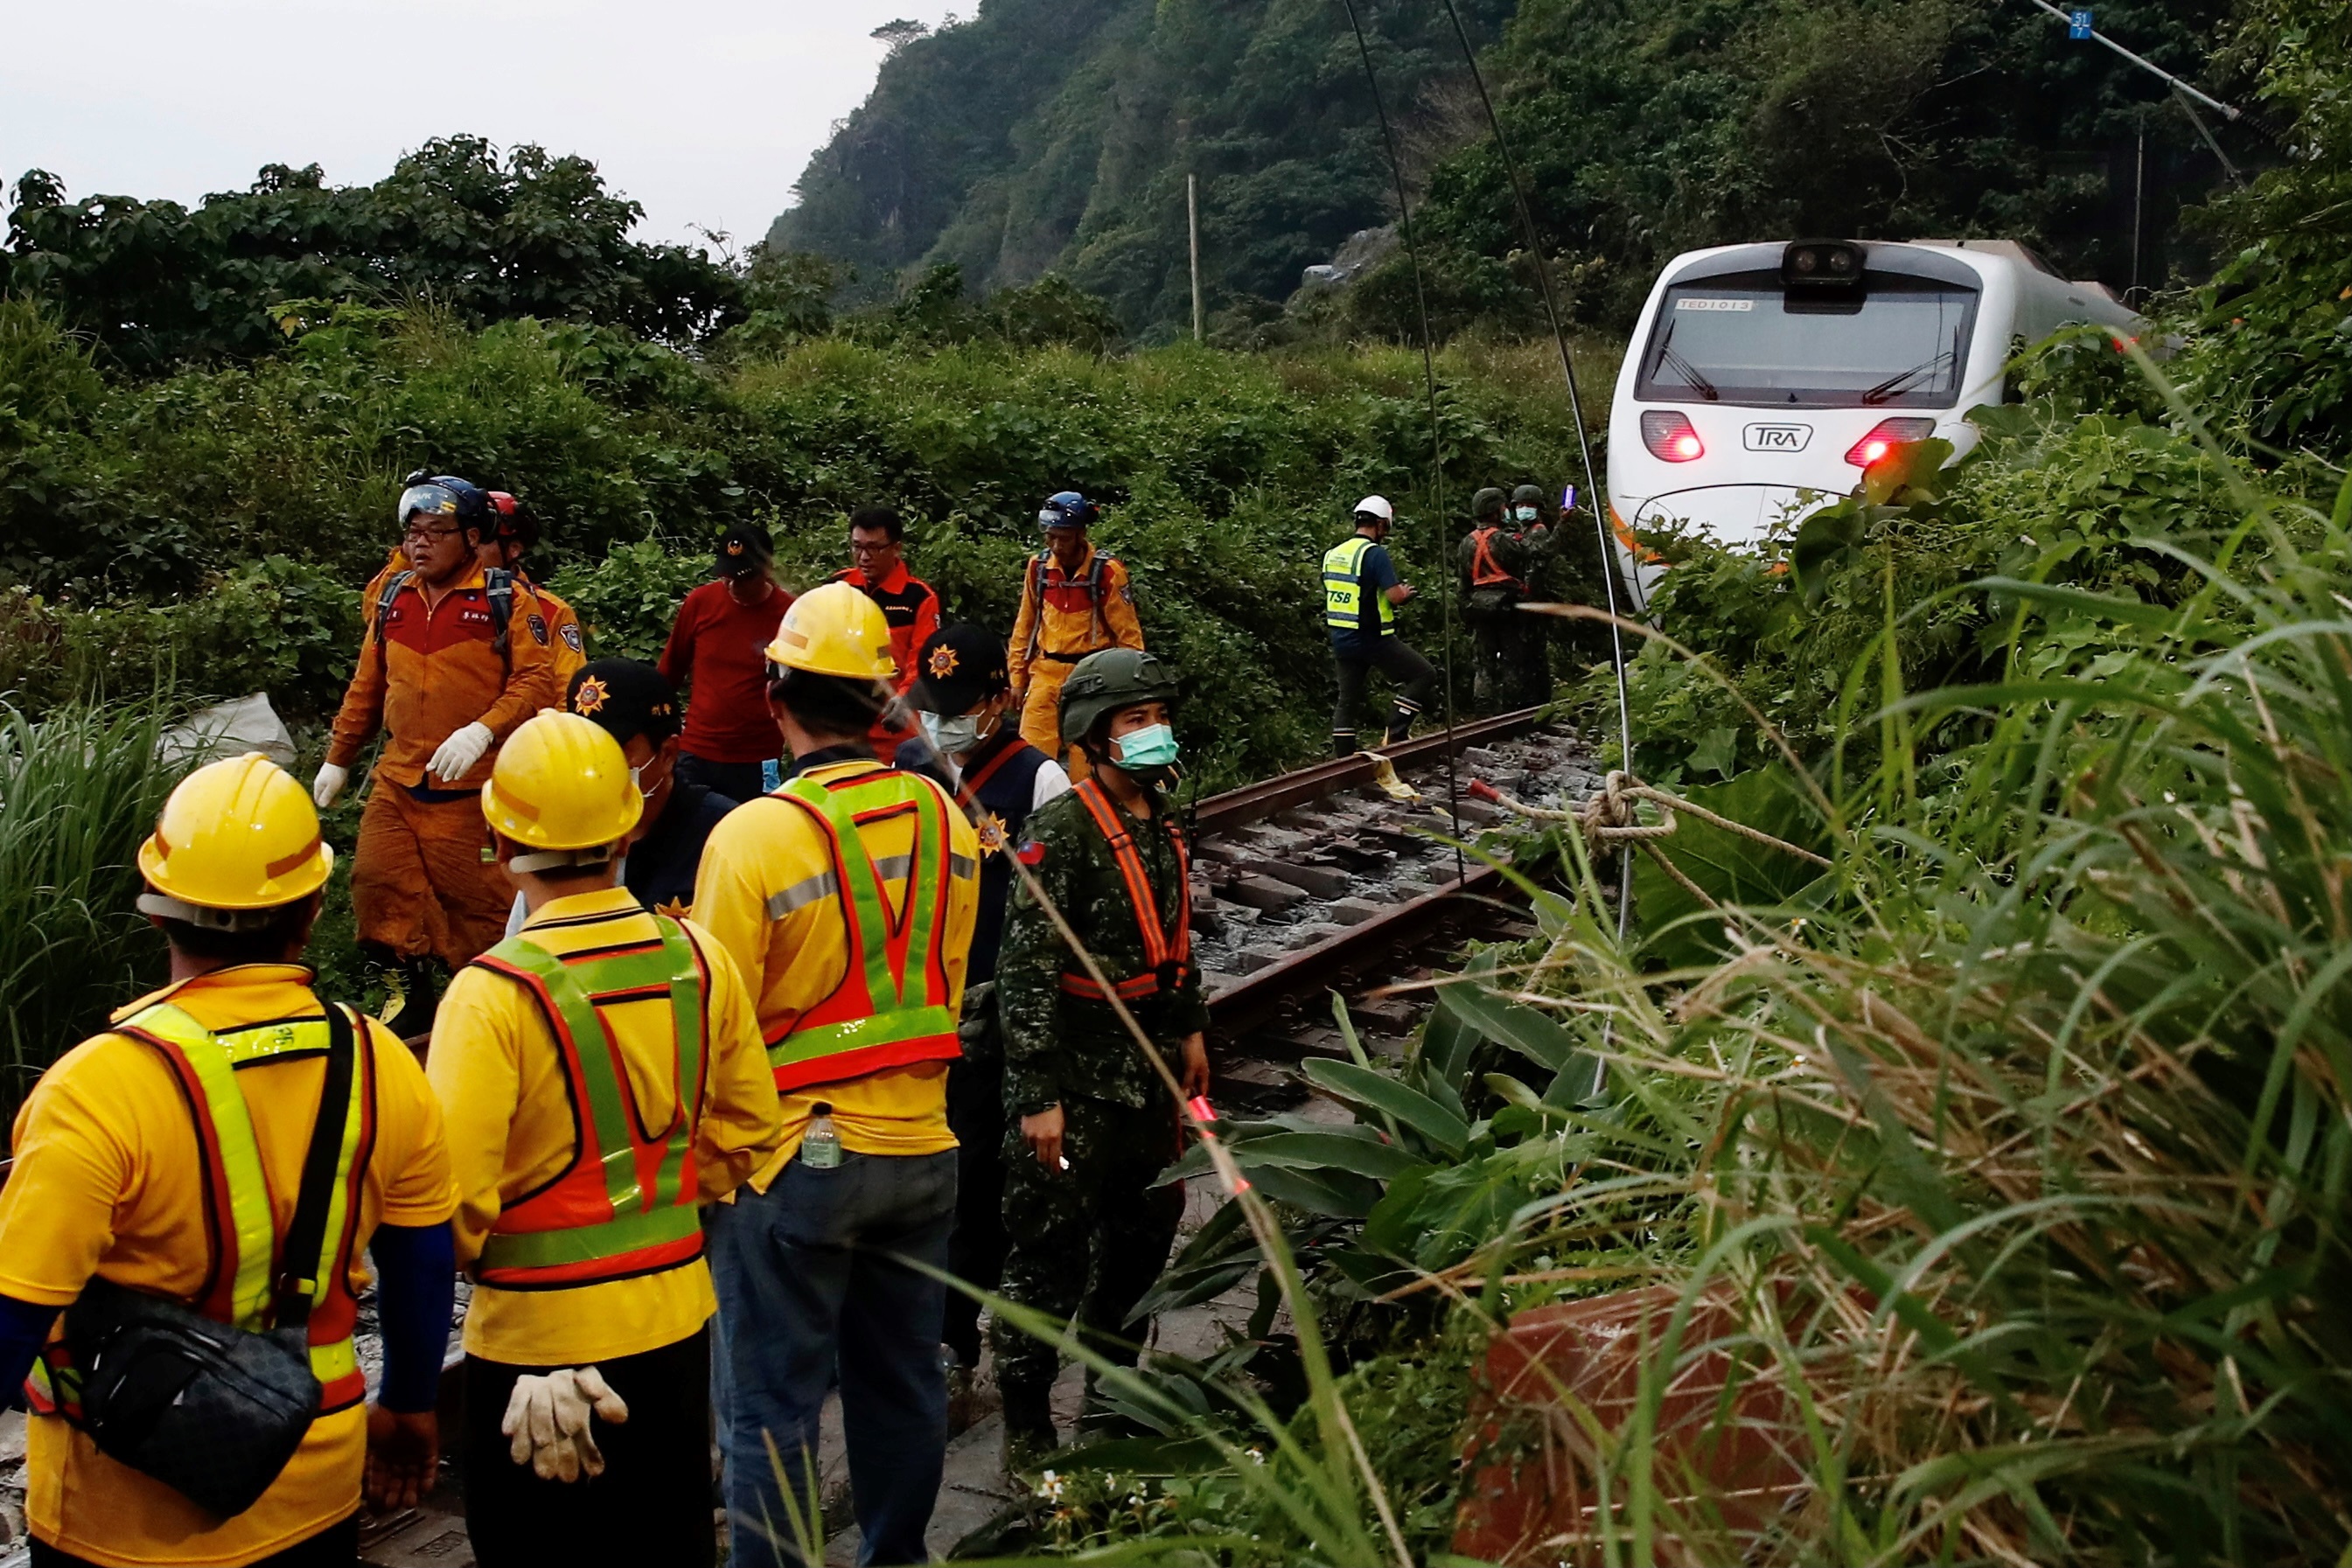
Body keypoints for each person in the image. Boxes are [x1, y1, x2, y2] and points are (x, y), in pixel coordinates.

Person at [0, 753, 458, 1568]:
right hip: (311, 1475)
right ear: (313, 909)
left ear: (155, 911)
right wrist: (412, 1405)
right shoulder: (377, 1058)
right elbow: (421, 1261)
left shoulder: (95, 1088)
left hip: (121, 1509)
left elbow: (14, 1317)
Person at [428, 710, 782, 1568]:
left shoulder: (492, 994)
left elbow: (451, 1206)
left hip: (534, 1352)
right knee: (667, 1541)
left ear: (499, 834)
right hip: (672, 1322)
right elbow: (750, 1130)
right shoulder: (695, 956)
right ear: (628, 822)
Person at [692, 582, 982, 1567]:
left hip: (797, 1159)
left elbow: (716, 1025)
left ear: (774, 691)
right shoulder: (945, 815)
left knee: (769, 1402)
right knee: (902, 1383)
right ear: (881, 702)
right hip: (926, 1146)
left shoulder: (751, 834)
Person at [992, 647, 1211, 1473]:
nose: (1153, 733)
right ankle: (1025, 1426)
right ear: (1093, 733)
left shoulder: (1161, 823)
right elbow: (1025, 974)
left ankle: (1110, 1405)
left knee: (1140, 1245)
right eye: (1134, 720)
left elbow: (1174, 945)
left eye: (1159, 717)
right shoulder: (1062, 832)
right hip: (1075, 1086)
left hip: (1146, 1081)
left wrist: (1189, 1028)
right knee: (1044, 1260)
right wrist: (1036, 1095)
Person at [893, 623, 1071, 1399]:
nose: (940, 724)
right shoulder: (907, 770)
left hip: (995, 1012)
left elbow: (1055, 912)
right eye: (930, 707)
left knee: (973, 1174)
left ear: (998, 701)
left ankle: (953, 1333)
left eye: (957, 708)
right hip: (915, 1007)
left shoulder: (1036, 782)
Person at [318, 473, 560, 1037]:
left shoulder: (507, 601)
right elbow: (366, 686)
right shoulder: (394, 597)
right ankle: (405, 996)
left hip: (473, 790)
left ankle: (493, 1006)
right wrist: (338, 755)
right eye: (413, 532)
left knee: (480, 911)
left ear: (471, 537)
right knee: (377, 885)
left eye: (436, 532)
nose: (419, 544)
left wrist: (482, 730)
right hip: (400, 782)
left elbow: (537, 683)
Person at [564, 658, 738, 916]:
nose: (591, 765)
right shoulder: (561, 829)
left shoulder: (724, 837)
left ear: (668, 753)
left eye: (611, 750)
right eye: (578, 746)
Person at [1005, 491, 1143, 780]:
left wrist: (1130, 693)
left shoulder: (1106, 573)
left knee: (1086, 768)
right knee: (1029, 763)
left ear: (1080, 534)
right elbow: (1025, 626)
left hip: (1090, 677)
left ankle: (1085, 819)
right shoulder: (1039, 568)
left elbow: (1128, 636)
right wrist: (1017, 679)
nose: (1055, 545)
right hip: (1045, 672)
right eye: (1050, 536)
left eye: (1063, 538)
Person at [662, 522, 792, 805]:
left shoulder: (789, 615)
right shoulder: (701, 603)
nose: (732, 585)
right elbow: (669, 672)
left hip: (755, 757)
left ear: (767, 570)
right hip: (696, 750)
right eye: (726, 576)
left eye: (743, 578)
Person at [1323, 495, 1438, 757]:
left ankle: (1343, 759)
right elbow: (1394, 596)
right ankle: (1396, 731)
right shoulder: (1374, 554)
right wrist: (1406, 594)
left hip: (1341, 638)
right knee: (1423, 674)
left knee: (1347, 700)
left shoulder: (1333, 554)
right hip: (1372, 637)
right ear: (1382, 525)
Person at [832, 505, 940, 762]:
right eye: (857, 547)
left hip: (893, 728)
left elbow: (922, 661)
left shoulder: (918, 598)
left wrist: (904, 699)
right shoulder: (837, 588)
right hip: (840, 726)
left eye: (874, 548)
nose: (864, 557)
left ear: (896, 548)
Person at [485, 491, 588, 688]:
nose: (468, 545)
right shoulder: (424, 596)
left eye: (483, 538)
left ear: (513, 549)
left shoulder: (552, 612)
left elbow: (566, 694)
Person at [1456, 486, 1529, 712]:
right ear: (1496, 510)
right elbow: (1525, 560)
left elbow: (1463, 584)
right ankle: (1511, 710)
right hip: (1508, 608)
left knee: (1484, 663)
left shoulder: (1466, 543)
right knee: (1512, 660)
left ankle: (1483, 709)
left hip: (1478, 608)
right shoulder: (1503, 540)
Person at [1508, 483, 1561, 707]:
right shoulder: (1521, 532)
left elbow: (1539, 563)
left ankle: (1538, 702)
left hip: (1534, 601)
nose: (1524, 509)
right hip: (1527, 599)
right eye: (1520, 505)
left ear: (1538, 508)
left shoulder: (1539, 533)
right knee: (1528, 653)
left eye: (1528, 505)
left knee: (1533, 653)